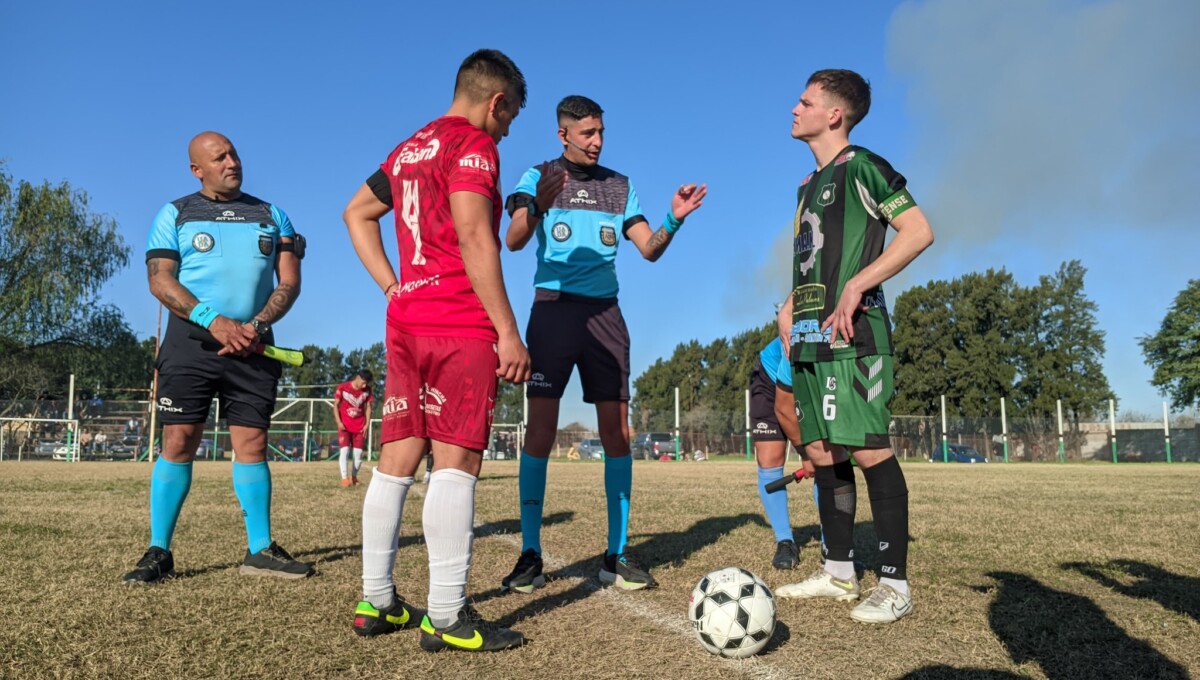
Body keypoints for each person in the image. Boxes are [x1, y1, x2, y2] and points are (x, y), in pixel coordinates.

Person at [342, 49, 531, 652]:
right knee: (456, 463)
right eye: (510, 118)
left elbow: (357, 212)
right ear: (496, 102)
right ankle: (447, 616)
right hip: (457, 321)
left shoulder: (407, 149)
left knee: (397, 462)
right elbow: (476, 234)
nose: (506, 132)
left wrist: (393, 285)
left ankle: (377, 600)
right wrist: (507, 330)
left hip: (406, 319)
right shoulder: (474, 146)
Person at [500, 95, 707, 593]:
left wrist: (674, 218)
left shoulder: (620, 186)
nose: (596, 141)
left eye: (601, 132)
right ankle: (531, 553)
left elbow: (649, 251)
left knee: (617, 434)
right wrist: (540, 206)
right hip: (552, 312)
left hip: (607, 318)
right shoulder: (539, 175)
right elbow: (512, 239)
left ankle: (616, 554)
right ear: (563, 134)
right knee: (542, 433)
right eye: (587, 133)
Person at [774, 70, 934, 624]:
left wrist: (858, 283)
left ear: (834, 115)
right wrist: (789, 307)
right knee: (821, 452)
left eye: (805, 101)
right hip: (812, 337)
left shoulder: (863, 166)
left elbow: (918, 231)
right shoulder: (806, 184)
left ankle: (895, 584)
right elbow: (813, 258)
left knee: (868, 449)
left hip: (855, 335)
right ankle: (840, 573)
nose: (795, 109)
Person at [123, 131, 313, 585]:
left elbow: (289, 282)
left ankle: (260, 549)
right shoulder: (175, 213)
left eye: (233, 153)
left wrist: (257, 326)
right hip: (190, 347)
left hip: (254, 346)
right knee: (179, 443)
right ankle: (159, 551)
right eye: (219, 157)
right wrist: (214, 321)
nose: (232, 161)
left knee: (251, 445)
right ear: (197, 169)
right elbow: (160, 281)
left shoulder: (272, 215)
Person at [750, 335, 811, 570]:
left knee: (826, 455)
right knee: (770, 459)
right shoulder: (798, 341)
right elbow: (784, 408)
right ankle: (785, 541)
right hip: (770, 377)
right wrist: (806, 455)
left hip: (815, 381)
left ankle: (831, 544)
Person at [334, 369, 374, 487]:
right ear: (358, 377)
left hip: (360, 427)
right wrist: (338, 422)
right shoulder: (343, 387)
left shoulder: (367, 390)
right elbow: (336, 405)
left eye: (367, 383)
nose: (365, 385)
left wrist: (367, 424)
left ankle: (354, 477)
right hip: (345, 426)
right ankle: (345, 478)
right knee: (345, 451)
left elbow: (368, 407)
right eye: (364, 382)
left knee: (358, 455)